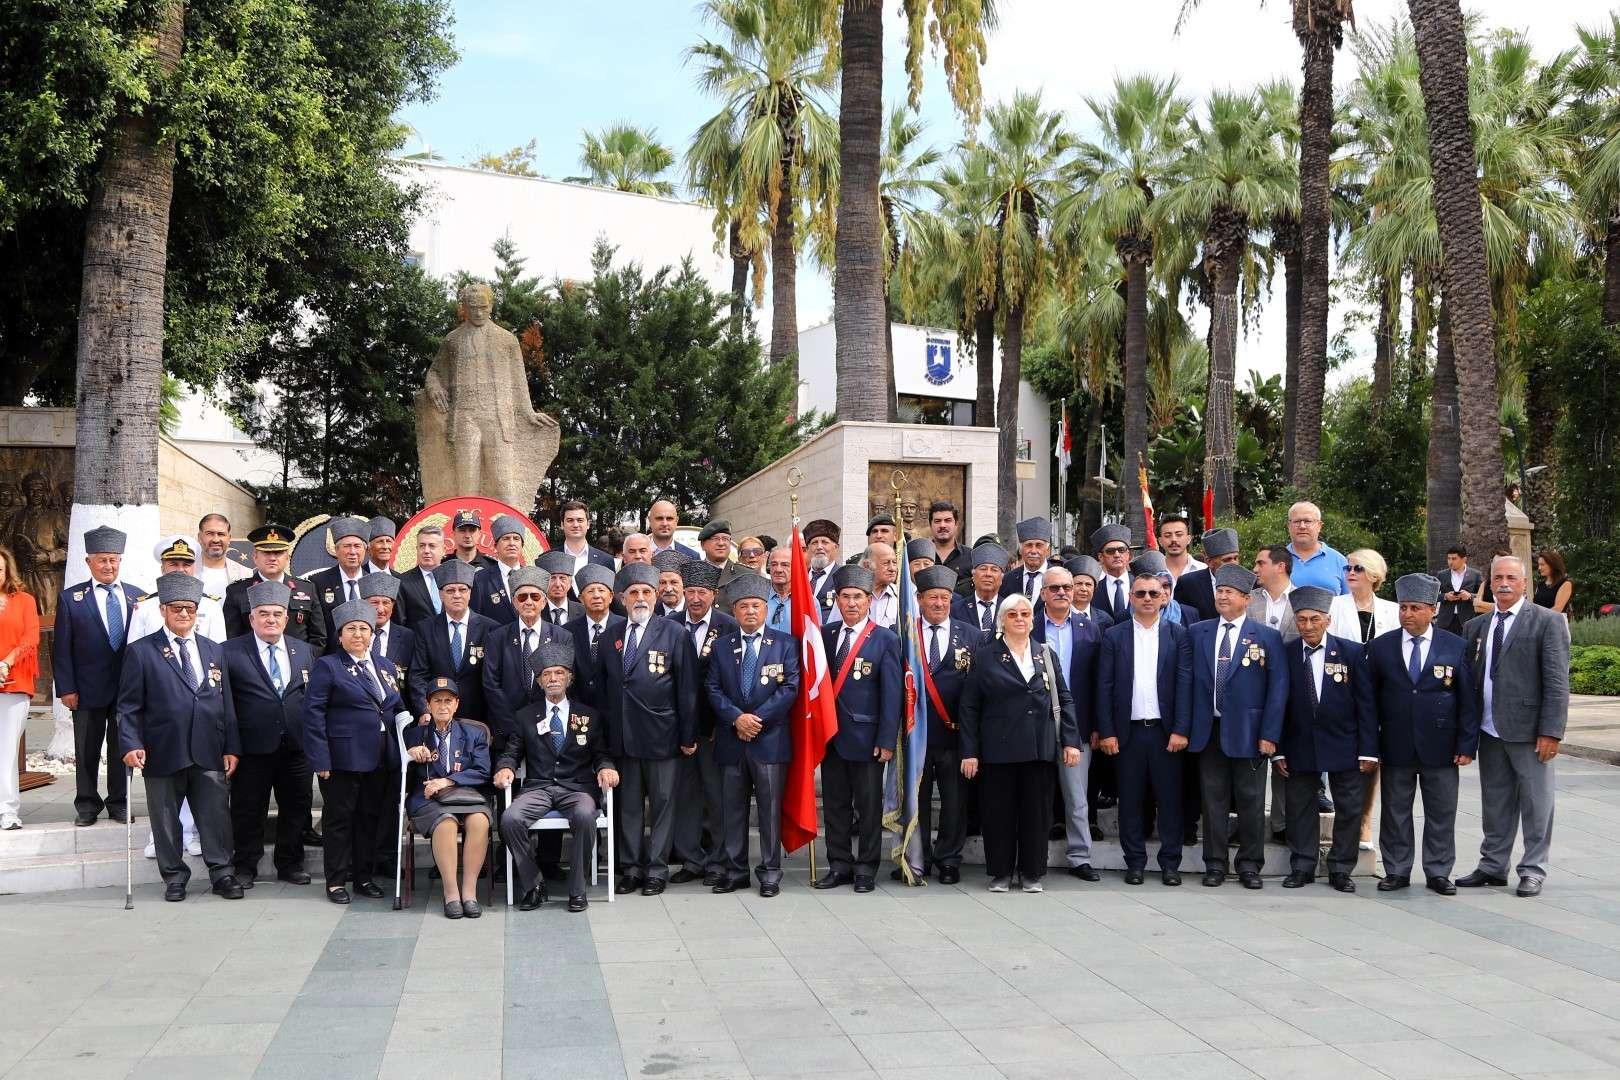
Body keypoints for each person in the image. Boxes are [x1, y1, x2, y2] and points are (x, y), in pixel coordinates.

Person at [116, 573, 244, 901]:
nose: (184, 614)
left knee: (215, 815)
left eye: (189, 609)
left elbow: (225, 703)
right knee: (165, 818)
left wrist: (231, 746)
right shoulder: (141, 652)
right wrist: (130, 743)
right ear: (162, 610)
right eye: (176, 608)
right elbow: (128, 706)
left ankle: (223, 873)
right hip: (162, 748)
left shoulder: (215, 651)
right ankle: (174, 877)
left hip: (208, 747)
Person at [1458, 555, 1569, 897]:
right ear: (1490, 582)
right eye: (1497, 578)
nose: (1503, 583)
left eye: (1511, 577)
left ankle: (1533, 869)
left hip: (1530, 732)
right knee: (1495, 802)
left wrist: (1551, 731)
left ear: (1524, 583)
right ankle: (1493, 865)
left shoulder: (1547, 622)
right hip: (1489, 731)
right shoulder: (1475, 627)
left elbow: (1556, 681)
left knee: (1537, 804)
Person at [960, 593, 1081, 894]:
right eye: (1012, 614)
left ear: (1032, 620)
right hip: (998, 749)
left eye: (1025, 614)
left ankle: (1032, 873)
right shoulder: (986, 655)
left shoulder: (1045, 653)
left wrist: (1070, 741)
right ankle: (1000, 873)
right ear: (1002, 620)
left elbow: (1063, 698)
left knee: (1036, 814)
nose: (1019, 619)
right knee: (998, 813)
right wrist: (970, 751)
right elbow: (970, 706)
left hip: (1039, 747)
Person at [1366, 574, 1479, 894]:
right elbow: (1369, 702)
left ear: (1433, 610)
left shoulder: (1455, 646)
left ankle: (1438, 871)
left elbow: (1468, 700)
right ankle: (1397, 869)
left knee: (1441, 812)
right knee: (1395, 811)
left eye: (1415, 608)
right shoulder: (1381, 648)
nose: (1407, 614)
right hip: (1396, 743)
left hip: (1441, 746)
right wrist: (1370, 747)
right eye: (1403, 608)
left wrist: (1467, 744)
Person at [497, 638, 618, 912]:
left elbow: (600, 753)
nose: (553, 679)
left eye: (559, 673)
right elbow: (512, 752)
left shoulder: (589, 715)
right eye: (546, 674)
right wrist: (504, 767)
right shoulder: (525, 716)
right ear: (539, 681)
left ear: (569, 678)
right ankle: (534, 883)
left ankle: (577, 889)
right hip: (538, 788)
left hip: (576, 788)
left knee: (586, 815)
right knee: (510, 818)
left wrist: (606, 767)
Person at [1188, 563, 1288, 890]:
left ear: (1246, 599)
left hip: (1250, 734)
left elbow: (1278, 690)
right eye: (1219, 591)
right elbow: (1187, 683)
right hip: (1210, 731)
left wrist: (1270, 735)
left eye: (1229, 592)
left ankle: (1249, 864)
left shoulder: (1267, 638)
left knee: (1251, 801)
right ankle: (1215, 864)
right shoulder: (1199, 632)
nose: (1222, 596)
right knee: (1212, 802)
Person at [1273, 586, 1377, 893]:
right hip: (1299, 743)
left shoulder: (1352, 652)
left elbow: (1366, 705)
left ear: (1327, 620)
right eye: (1302, 620)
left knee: (1349, 807)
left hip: (1345, 742)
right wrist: (1278, 750)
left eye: (1314, 619)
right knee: (1299, 807)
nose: (1307, 626)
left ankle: (1342, 868)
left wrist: (1369, 750)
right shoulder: (1287, 653)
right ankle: (1302, 865)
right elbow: (1277, 704)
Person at [604, 563, 699, 895]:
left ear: (656, 596)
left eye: (646, 592)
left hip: (663, 737)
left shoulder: (675, 633)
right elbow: (605, 690)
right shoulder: (612, 635)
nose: (640, 598)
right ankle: (630, 868)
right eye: (634, 593)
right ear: (622, 598)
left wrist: (688, 737)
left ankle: (657, 869)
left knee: (662, 805)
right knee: (629, 807)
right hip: (624, 740)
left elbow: (687, 690)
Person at [1096, 563, 1193, 885]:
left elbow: (1185, 685)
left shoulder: (1179, 635)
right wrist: (1107, 731)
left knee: (1170, 801)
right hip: (1128, 734)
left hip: (1167, 734)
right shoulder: (1114, 635)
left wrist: (1181, 729)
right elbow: (1104, 686)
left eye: (1154, 593)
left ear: (1164, 597)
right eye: (1141, 593)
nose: (1148, 598)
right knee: (1131, 801)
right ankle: (1134, 862)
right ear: (1132, 598)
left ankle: (1170, 864)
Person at [304, 600, 407, 904]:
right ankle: (336, 882)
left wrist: (419, 718)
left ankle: (363, 876)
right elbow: (313, 714)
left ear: (373, 634)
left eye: (364, 629)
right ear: (340, 635)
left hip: (380, 758)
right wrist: (320, 758)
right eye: (352, 629)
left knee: (369, 820)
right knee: (339, 820)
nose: (359, 634)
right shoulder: (329, 666)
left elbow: (395, 706)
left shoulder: (385, 666)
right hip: (342, 759)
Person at [705, 574, 800, 896]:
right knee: (732, 809)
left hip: (769, 740)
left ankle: (770, 872)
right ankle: (735, 870)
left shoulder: (786, 644)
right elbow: (713, 688)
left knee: (770, 810)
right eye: (743, 606)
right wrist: (736, 719)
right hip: (732, 740)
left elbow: (790, 688)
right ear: (734, 611)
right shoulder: (721, 646)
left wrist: (755, 719)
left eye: (756, 606)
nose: (749, 612)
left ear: (765, 608)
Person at [813, 565, 901, 893]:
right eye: (846, 597)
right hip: (831, 737)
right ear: (837, 600)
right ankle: (838, 864)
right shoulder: (825, 634)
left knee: (868, 807)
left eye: (858, 598)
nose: (851, 603)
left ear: (868, 601)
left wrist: (886, 739)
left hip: (867, 740)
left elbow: (891, 695)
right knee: (835, 805)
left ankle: (866, 867)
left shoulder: (885, 639)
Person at [222, 580, 315, 884]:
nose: (271, 619)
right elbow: (226, 705)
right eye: (263, 613)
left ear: (287, 618)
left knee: (297, 806)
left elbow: (311, 699)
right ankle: (245, 865)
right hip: (251, 748)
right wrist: (231, 747)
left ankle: (290, 863)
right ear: (251, 618)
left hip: (296, 747)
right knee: (248, 809)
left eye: (277, 613)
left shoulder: (304, 651)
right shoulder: (230, 652)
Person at [53, 526, 144, 826]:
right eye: (102, 560)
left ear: (120, 561)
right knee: (86, 750)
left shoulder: (138, 597)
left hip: (127, 691)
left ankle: (119, 802)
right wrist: (66, 688)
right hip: (86, 691)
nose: (108, 566)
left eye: (113, 560)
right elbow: (62, 648)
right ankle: (87, 805)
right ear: (89, 562)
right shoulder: (71, 599)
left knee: (123, 748)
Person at [1032, 566, 1106, 882]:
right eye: (1055, 588)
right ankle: (1032, 857)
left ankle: (1080, 857)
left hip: (1077, 725)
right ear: (1043, 594)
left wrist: (1098, 725)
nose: (1062, 592)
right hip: (1035, 724)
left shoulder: (1090, 629)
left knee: (1077, 797)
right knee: (1035, 794)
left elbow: (1100, 682)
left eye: (1067, 587)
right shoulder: (1028, 626)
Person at [404, 677, 492, 919]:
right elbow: (396, 769)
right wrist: (408, 755)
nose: (443, 706)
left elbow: (483, 770)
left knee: (480, 821)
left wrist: (448, 780)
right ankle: (451, 893)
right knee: (446, 823)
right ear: (428, 705)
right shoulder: (415, 734)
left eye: (448, 701)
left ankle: (470, 892)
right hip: (427, 800)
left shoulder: (474, 734)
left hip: (466, 796)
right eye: (437, 701)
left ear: (456, 704)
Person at [670, 561, 736, 886]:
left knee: (716, 795)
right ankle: (691, 859)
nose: (696, 598)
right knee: (685, 796)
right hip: (677, 728)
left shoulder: (728, 627)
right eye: (691, 591)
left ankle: (718, 861)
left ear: (714, 594)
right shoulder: (667, 625)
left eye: (702, 592)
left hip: (716, 728)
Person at [408, 560, 500, 728]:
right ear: (441, 594)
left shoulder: (491, 628)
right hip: (437, 718)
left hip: (480, 720)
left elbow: (495, 679)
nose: (457, 595)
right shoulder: (425, 629)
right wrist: (424, 710)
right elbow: (418, 676)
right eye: (450, 590)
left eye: (462, 590)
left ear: (470, 593)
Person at [224, 524, 326, 649]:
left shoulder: (307, 589)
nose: (272, 558)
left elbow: (318, 638)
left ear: (288, 557)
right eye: (266, 553)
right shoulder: (237, 591)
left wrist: (306, 664)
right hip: (252, 664)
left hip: (298, 665)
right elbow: (231, 638)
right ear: (255, 557)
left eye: (278, 553)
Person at [0, 545, 41, 830]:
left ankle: (7, 811)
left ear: (7, 571)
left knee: (5, 751)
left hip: (13, 683)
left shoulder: (24, 600)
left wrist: (5, 664)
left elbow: (30, 638)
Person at [126, 536, 225, 644]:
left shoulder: (211, 606)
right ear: (162, 569)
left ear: (194, 568)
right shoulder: (143, 607)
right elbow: (135, 653)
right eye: (174, 564)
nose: (180, 570)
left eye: (186, 565)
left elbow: (218, 652)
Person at [308, 517, 373, 647]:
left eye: (357, 546)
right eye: (347, 546)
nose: (352, 552)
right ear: (336, 551)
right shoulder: (318, 582)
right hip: (330, 657)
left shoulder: (374, 582)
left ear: (365, 551)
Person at [567, 564, 623, 711]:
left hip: (617, 708)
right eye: (590, 591)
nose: (597, 595)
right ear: (580, 598)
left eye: (601, 590)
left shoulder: (625, 627)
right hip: (580, 709)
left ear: (611, 596)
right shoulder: (567, 632)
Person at [472, 514, 532, 625]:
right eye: (506, 538)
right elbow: (475, 620)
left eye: (516, 538)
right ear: (495, 546)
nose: (512, 543)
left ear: (522, 545)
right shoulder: (480, 579)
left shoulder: (532, 577)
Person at [1176, 528, 1240, 625]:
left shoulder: (1250, 582)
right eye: (1227, 560)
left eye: (1236, 558)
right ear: (1209, 561)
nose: (1233, 563)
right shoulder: (1188, 584)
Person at [1285, 501, 1349, 595]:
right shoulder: (1276, 559)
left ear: (1319, 526)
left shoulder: (1339, 561)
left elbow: (1350, 602)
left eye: (1307, 521)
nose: (1302, 526)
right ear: (1289, 526)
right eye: (1297, 521)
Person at [555, 500, 616, 587]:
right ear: (562, 524)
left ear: (588, 524)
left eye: (580, 520)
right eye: (570, 520)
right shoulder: (549, 558)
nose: (575, 525)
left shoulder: (606, 560)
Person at [951, 543, 1008, 633]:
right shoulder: (956, 610)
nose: (988, 574)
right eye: (983, 568)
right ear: (973, 575)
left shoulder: (1009, 609)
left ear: (1001, 578)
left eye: (994, 570)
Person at [397, 524, 447, 626]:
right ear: (417, 549)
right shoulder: (402, 582)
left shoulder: (454, 579)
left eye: (432, 546)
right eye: (422, 546)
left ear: (443, 550)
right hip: (417, 641)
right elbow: (400, 623)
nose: (426, 551)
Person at [196, 513, 252, 601]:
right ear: (199, 537)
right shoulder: (186, 571)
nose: (216, 539)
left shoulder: (246, 574)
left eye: (221, 534)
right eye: (210, 533)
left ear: (229, 538)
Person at [1248, 546, 1297, 642]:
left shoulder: (1303, 598)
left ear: (1280, 567)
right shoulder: (1247, 599)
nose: (1255, 569)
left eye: (1261, 564)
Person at [1002, 518, 1054, 601]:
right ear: (1020, 550)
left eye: (1039, 545)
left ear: (1048, 550)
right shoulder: (1008, 579)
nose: (1033, 551)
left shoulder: (1059, 577)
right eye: (1029, 545)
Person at [1091, 524, 1133, 622]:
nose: (1117, 555)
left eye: (1121, 550)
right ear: (1101, 557)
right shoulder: (1093, 590)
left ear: (1128, 555)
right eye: (1110, 551)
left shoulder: (1141, 585)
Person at [1436, 545, 1482, 635]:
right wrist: (1445, 596)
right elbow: (1433, 595)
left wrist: (1470, 596)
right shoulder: (1442, 575)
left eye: (1454, 559)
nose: (1450, 562)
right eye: (1448, 559)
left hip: (1467, 621)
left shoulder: (1475, 575)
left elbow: (1482, 596)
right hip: (1446, 621)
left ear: (1464, 559)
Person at [802, 519, 841, 622]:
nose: (819, 547)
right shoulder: (799, 578)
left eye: (825, 542)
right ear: (808, 549)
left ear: (836, 547)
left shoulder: (844, 577)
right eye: (814, 543)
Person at [536, 550, 583, 627]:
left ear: (570, 583)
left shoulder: (583, 611)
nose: (557, 584)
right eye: (552, 578)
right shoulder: (535, 611)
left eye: (562, 578)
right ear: (543, 583)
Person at [1158, 513, 1204, 585]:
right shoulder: (1154, 572)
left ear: (1188, 539)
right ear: (1160, 541)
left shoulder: (1203, 569)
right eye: (1167, 535)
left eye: (1179, 535)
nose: (1174, 539)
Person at [928, 500, 969, 575]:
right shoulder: (921, 556)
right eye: (937, 521)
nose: (942, 525)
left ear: (956, 524)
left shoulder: (970, 557)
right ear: (930, 525)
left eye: (948, 520)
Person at [864, 543, 900, 628]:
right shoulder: (850, 594)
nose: (892, 569)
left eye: (894, 563)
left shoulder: (902, 595)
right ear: (867, 565)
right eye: (886, 563)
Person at [1533, 549, 1573, 615]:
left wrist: (1537, 618)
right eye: (1539, 565)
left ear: (1552, 565)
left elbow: (1557, 609)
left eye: (1542, 564)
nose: (1539, 568)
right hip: (1539, 623)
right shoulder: (1540, 585)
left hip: (1555, 623)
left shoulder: (1565, 584)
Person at [652, 550, 687, 620]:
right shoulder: (651, 613)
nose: (668, 589)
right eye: (662, 583)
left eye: (674, 582)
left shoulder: (694, 611)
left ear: (684, 584)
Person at [765, 547, 793, 632]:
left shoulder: (808, 601)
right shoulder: (758, 598)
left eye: (785, 565)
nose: (778, 570)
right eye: (774, 564)